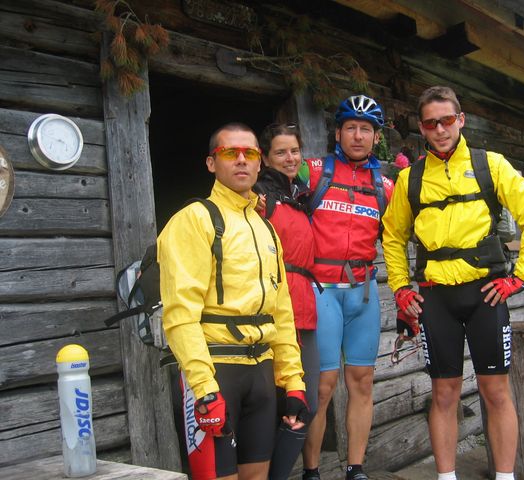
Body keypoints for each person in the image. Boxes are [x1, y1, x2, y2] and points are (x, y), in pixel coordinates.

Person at [382, 86, 524, 480]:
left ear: (460, 119)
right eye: (430, 123)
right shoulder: (410, 179)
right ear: (422, 128)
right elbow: (392, 236)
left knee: (496, 392)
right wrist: (401, 287)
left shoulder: (491, 165)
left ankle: (505, 477)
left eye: (446, 120)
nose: (440, 129)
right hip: (435, 298)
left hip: (486, 295)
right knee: (443, 394)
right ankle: (447, 477)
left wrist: (520, 276)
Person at [158, 122, 310, 480]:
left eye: (250, 153)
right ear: (212, 163)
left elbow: (281, 312)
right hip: (216, 371)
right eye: (230, 152)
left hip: (261, 373)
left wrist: (294, 382)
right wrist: (204, 389)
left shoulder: (265, 228)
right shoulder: (194, 219)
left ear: (260, 163)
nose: (241, 160)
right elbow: (180, 314)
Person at [301, 95, 394, 480]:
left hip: (363, 294)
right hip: (321, 290)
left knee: (362, 381)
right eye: (351, 128)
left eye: (366, 129)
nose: (358, 136)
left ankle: (355, 468)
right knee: (322, 386)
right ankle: (311, 471)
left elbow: (399, 237)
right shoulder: (312, 172)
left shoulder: (385, 186)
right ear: (338, 133)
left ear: (376, 137)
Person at [254, 123, 320, 480]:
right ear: (266, 158)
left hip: (304, 308)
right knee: (270, 406)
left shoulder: (302, 197)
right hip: (272, 312)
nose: (290, 158)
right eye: (280, 152)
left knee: (304, 403)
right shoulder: (258, 195)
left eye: (294, 151)